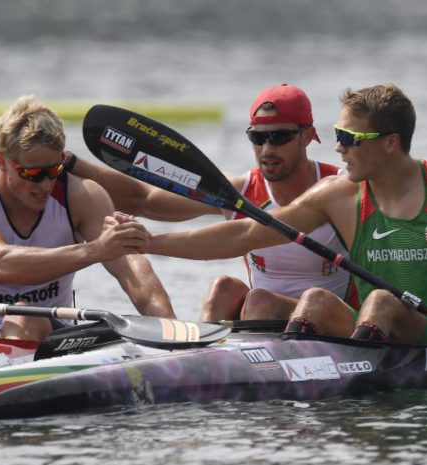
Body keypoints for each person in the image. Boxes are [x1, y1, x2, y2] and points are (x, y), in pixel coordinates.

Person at [139, 83, 427, 380]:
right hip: (370, 326)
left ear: (390, 143)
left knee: (382, 301)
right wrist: (151, 242)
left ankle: (347, 381)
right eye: (339, 136)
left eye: (349, 138)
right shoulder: (338, 196)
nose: (338, 148)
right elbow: (245, 236)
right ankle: (282, 379)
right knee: (315, 300)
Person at [71, 84, 349, 322]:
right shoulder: (239, 191)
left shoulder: (341, 188)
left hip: (332, 319)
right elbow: (142, 199)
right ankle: (198, 353)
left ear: (307, 136)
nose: (267, 149)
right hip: (265, 316)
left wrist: (152, 242)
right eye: (258, 137)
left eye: (279, 137)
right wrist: (71, 164)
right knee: (223, 288)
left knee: (259, 301)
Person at [0, 95, 174, 342]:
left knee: (23, 314)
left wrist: (172, 332)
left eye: (54, 170)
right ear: (1, 161)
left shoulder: (82, 196)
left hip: (49, 335)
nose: (46, 185)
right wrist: (95, 250)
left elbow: (133, 271)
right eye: (32, 173)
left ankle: (11, 365)